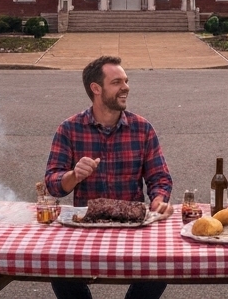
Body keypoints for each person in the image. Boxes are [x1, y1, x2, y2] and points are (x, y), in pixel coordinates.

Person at [43, 56, 172, 299]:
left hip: (133, 224)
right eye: (117, 82)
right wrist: (73, 175)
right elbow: (52, 184)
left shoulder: (142, 128)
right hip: (86, 226)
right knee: (58, 269)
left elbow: (160, 178)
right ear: (96, 89)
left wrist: (158, 200)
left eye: (126, 81)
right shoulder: (69, 128)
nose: (126, 87)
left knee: (160, 267)